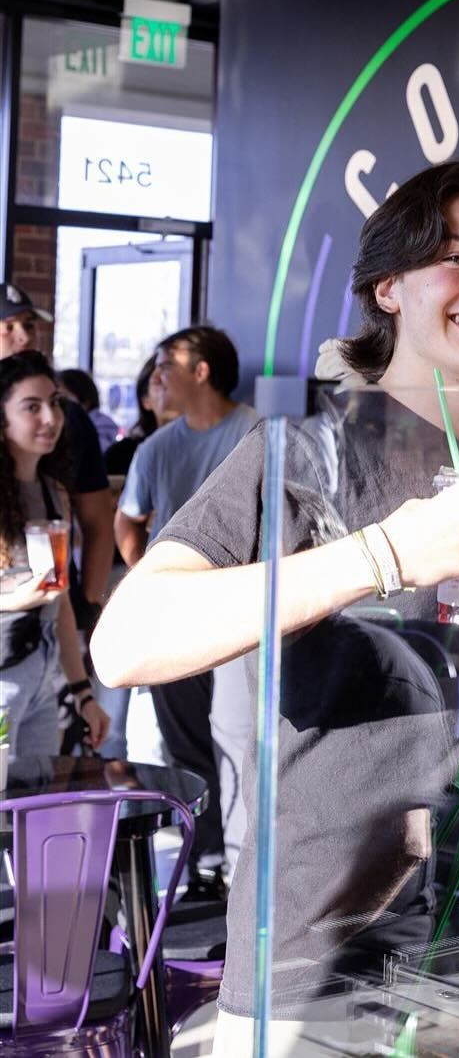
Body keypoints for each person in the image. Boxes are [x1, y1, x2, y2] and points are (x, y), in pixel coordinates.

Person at [92, 159, 459, 1048]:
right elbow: (125, 642)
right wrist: (384, 553)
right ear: (388, 287)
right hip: (316, 976)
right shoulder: (307, 455)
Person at [114, 326, 259, 893]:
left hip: (240, 619)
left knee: (235, 742)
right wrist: (147, 574)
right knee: (188, 748)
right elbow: (128, 520)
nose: (156, 379)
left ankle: (237, 868)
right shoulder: (155, 448)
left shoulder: (254, 432)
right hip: (176, 623)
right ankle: (205, 858)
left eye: (165, 365)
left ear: (201, 371)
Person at [0, 284, 117, 747]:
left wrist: (82, 691)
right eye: (32, 407)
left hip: (45, 678)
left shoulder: (53, 492)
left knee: (35, 808)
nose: (50, 418)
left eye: (54, 404)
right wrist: (17, 597)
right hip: (7, 674)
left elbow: (59, 602)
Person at [105, 353, 175, 478]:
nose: (173, 389)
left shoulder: (208, 450)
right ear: (145, 401)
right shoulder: (121, 455)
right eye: (160, 382)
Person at [58, 368, 119, 454]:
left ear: (85, 401)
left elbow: (94, 451)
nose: (58, 405)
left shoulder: (103, 424)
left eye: (63, 398)